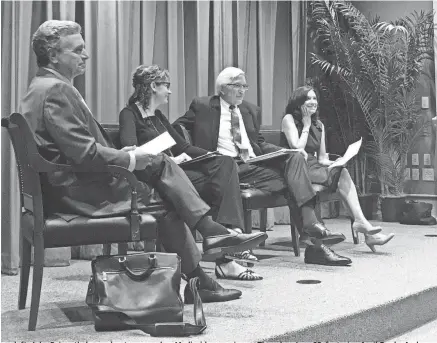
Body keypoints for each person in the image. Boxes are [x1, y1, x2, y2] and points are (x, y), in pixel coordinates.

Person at [20, 20, 267, 304]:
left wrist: (127, 155)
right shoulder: (57, 90)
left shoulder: (40, 86)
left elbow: (78, 149)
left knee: (163, 174)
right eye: (77, 50)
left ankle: (206, 254)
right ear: (53, 55)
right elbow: (84, 154)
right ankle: (209, 242)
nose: (85, 55)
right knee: (164, 190)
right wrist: (130, 158)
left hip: (64, 187)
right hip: (77, 194)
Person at [174, 67, 351, 266]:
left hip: (251, 165)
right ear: (222, 89)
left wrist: (284, 151)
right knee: (293, 180)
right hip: (222, 168)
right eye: (236, 86)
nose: (241, 91)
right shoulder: (203, 106)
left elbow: (258, 143)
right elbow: (175, 130)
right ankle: (314, 239)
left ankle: (312, 232)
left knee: (294, 161)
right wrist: (190, 153)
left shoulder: (250, 110)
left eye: (244, 86)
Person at [118, 64, 263, 281]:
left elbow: (183, 148)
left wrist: (212, 156)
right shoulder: (129, 114)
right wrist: (170, 159)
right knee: (218, 185)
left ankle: (228, 232)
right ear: (151, 87)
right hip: (156, 177)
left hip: (177, 172)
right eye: (165, 86)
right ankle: (225, 248)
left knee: (224, 166)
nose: (169, 91)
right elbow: (131, 149)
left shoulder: (158, 116)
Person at [281, 86, 394, 252]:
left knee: (342, 171)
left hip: (314, 165)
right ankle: (365, 229)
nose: (313, 102)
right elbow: (297, 148)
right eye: (308, 99)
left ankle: (365, 228)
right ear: (298, 103)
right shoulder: (289, 119)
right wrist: (306, 125)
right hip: (298, 168)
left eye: (315, 98)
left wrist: (337, 161)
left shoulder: (319, 125)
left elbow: (321, 158)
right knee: (341, 175)